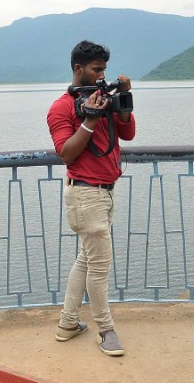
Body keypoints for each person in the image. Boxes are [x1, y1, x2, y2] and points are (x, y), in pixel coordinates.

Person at [46, 40, 136, 356]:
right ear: (77, 69)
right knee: (99, 267)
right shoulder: (61, 107)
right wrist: (89, 120)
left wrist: (124, 97)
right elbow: (66, 153)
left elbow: (127, 134)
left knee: (87, 259)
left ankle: (68, 323)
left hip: (104, 192)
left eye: (104, 70)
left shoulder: (104, 99)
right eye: (96, 69)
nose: (101, 76)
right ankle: (106, 331)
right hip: (85, 194)